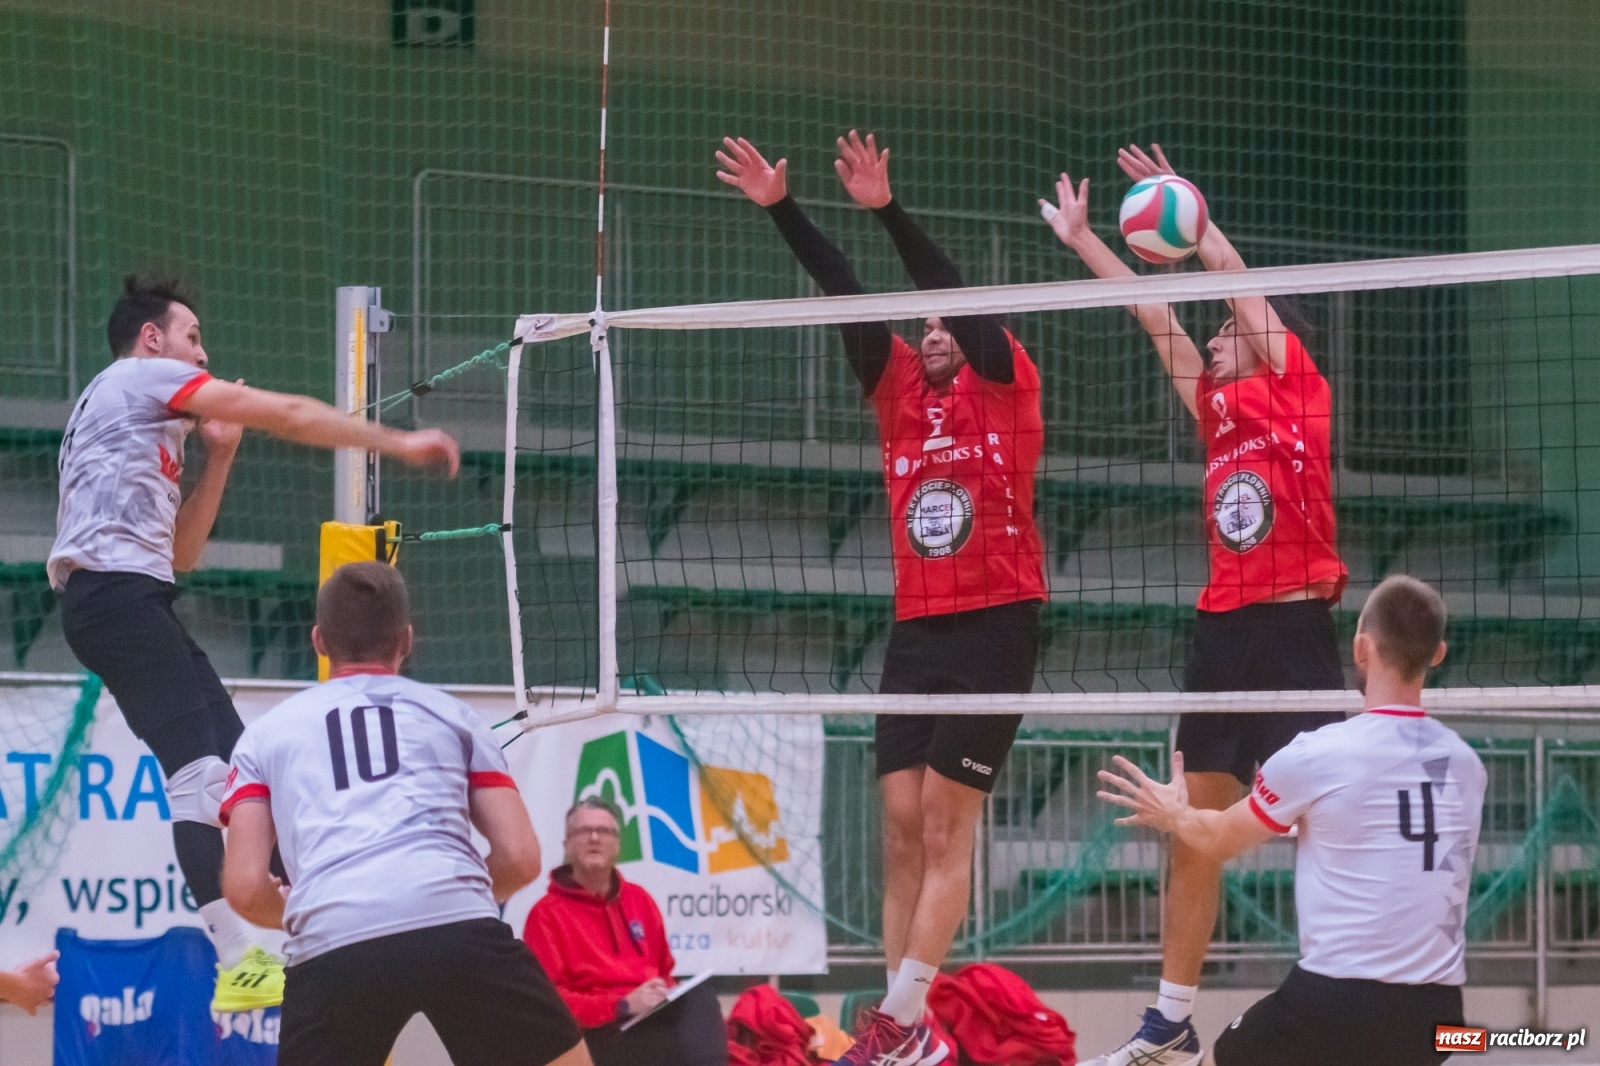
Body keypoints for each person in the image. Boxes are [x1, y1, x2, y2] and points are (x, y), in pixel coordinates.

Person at [718, 131, 1046, 1066]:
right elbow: (849, 299)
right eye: (927, 328)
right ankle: (910, 1034)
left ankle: (900, 1019)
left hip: (995, 625)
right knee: (901, 836)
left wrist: (885, 209)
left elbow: (951, 300)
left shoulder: (1006, 385)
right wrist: (784, 206)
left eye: (945, 325)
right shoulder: (899, 388)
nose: (934, 334)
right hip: (917, 632)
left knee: (947, 826)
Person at [49, 276, 459, 1010]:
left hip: (135, 595)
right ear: (153, 341)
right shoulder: (146, 379)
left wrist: (222, 457)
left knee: (243, 778)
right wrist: (397, 442)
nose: (203, 354)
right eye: (192, 337)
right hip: (111, 599)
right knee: (202, 779)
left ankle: (334, 919)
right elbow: (290, 415)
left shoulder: (130, 414)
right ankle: (238, 960)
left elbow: (182, 556)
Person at [1043, 145, 1349, 1064]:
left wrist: (1196, 216)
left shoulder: (1300, 391)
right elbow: (1149, 310)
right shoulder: (1217, 408)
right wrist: (1089, 240)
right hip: (1222, 633)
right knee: (1192, 828)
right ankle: (1171, 1020)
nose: (1215, 336)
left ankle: (1343, 984)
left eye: (1228, 329)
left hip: (1297, 631)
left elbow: (1236, 288)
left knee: (1328, 826)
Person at [1097, 574, 1482, 1066]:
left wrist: (1174, 814)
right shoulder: (1469, 765)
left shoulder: (1319, 754)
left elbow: (1215, 840)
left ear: (1361, 649)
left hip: (1332, 1004)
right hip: (1441, 1020)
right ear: (1438, 653)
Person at [220, 562, 589, 1066]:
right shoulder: (454, 715)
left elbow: (243, 887)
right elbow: (520, 858)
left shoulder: (264, 734)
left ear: (318, 641)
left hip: (334, 943)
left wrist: (308, 910)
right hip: (457, 927)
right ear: (407, 639)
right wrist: (454, 897)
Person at [524, 797, 728, 1066]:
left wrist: (661, 992)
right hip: (596, 1036)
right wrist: (621, 1005)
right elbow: (550, 1005)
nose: (595, 838)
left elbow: (664, 971)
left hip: (647, 1020)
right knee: (673, 1044)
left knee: (698, 997)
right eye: (584, 831)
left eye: (605, 831)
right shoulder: (545, 915)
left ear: (618, 845)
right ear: (567, 845)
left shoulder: (640, 899)